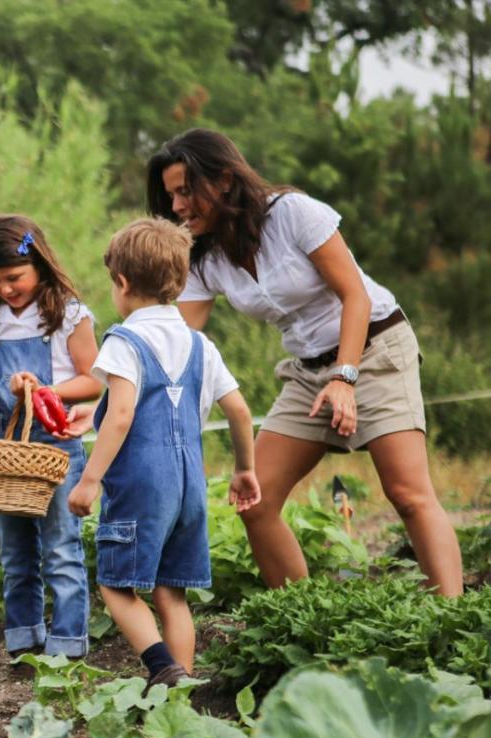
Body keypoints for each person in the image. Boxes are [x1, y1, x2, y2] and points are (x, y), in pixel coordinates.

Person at [148, 128, 463, 597]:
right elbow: (178, 339)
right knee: (255, 502)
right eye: (171, 194)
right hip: (308, 370)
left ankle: (449, 620)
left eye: (185, 191)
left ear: (226, 180)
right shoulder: (203, 258)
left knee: (408, 494)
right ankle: (306, 621)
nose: (176, 206)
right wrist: (124, 388)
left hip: (374, 349)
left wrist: (344, 377)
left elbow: (354, 295)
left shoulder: (292, 213)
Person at [65, 218, 260, 686]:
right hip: (189, 484)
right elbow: (239, 411)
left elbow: (124, 413)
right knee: (172, 593)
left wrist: (89, 479)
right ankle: (183, 687)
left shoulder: (124, 339)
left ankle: (161, 667)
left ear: (123, 282)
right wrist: (244, 469)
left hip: (141, 485)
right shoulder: (198, 343)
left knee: (115, 585)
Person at [0, 215, 103, 665]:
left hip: (56, 444)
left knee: (61, 547)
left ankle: (66, 648)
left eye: (14, 278)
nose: (6, 289)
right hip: (7, 448)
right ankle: (24, 641)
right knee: (15, 552)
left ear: (39, 265)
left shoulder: (66, 314)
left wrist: (45, 390)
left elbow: (93, 380)